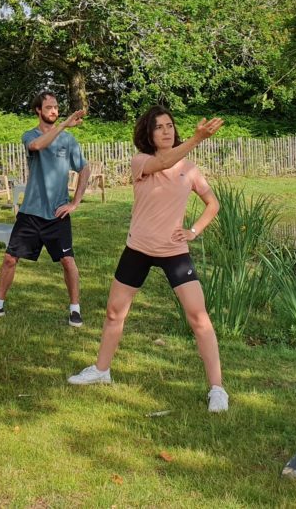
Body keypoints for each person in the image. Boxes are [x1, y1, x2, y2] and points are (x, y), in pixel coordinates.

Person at [67, 105, 230, 413]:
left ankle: (217, 389)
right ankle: (102, 370)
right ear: (148, 133)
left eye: (170, 125)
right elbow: (164, 161)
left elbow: (212, 203)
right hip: (138, 249)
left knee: (199, 319)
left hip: (174, 252)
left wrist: (193, 230)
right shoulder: (141, 161)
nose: (166, 130)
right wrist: (197, 138)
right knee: (115, 313)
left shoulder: (190, 170)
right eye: (159, 127)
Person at [0, 90, 92, 326]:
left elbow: (84, 168)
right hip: (30, 212)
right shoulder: (29, 135)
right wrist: (63, 125)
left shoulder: (69, 141)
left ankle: (75, 309)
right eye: (49, 107)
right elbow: (38, 146)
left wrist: (75, 202)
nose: (54, 111)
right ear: (38, 111)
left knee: (68, 261)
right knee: (10, 259)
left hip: (57, 214)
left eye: (56, 107)